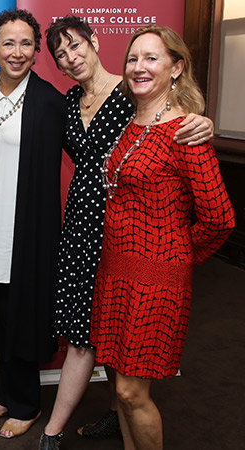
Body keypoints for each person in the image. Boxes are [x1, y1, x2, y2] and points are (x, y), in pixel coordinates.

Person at [36, 16, 215, 449]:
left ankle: (96, 418)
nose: (70, 58)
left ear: (95, 41)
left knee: (126, 340)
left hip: (136, 233)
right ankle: (117, 414)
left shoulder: (131, 91)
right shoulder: (70, 101)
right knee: (102, 334)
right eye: (61, 55)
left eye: (76, 46)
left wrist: (205, 122)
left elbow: (176, 127)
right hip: (86, 224)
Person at [89, 25, 234, 450]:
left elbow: (220, 218)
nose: (139, 67)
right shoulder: (134, 122)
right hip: (116, 271)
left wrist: (178, 256)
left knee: (134, 393)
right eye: (133, 59)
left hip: (156, 280)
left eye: (152, 58)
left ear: (176, 68)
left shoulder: (186, 133)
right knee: (119, 391)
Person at [0, 9, 66, 439]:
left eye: (26, 43)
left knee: (22, 315)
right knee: (1, 314)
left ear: (37, 50)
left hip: (23, 231)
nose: (17, 52)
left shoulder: (50, 101)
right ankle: (6, 394)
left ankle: (27, 403)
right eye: (8, 43)